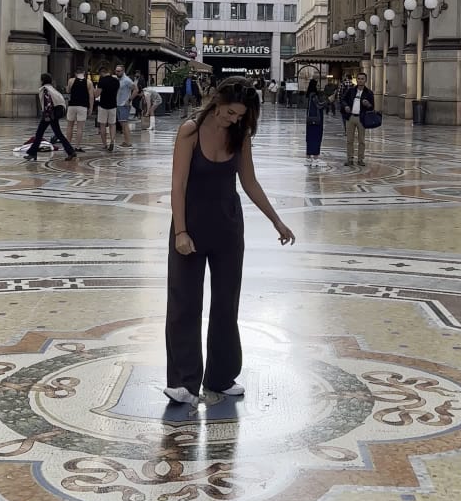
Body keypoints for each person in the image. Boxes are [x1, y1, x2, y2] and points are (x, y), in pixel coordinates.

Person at [165, 78, 296, 406]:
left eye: (240, 116)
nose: (233, 120)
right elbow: (177, 185)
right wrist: (180, 232)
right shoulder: (189, 131)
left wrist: (276, 220)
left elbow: (249, 182)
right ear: (216, 100)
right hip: (190, 228)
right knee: (185, 304)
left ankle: (221, 377)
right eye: (230, 113)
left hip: (227, 229)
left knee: (226, 304)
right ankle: (182, 382)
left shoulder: (241, 135)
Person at [25, 74, 75, 162]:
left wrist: (47, 116)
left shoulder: (45, 89)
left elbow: (47, 103)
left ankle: (32, 153)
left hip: (50, 113)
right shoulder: (51, 88)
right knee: (58, 133)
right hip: (55, 112)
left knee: (39, 133)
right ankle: (70, 151)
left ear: (42, 80)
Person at [341, 72, 375, 168]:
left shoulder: (369, 93)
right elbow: (343, 100)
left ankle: (360, 159)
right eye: (359, 78)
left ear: (365, 80)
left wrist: (368, 104)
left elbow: (372, 107)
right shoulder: (351, 90)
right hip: (351, 117)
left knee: (361, 140)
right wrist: (346, 106)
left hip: (361, 118)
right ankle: (350, 159)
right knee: (349, 140)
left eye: (362, 79)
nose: (360, 80)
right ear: (356, 80)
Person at [65, 64, 94, 151]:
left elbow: (68, 91)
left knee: (70, 126)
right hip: (83, 106)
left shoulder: (71, 80)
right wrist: (91, 108)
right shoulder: (89, 82)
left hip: (72, 105)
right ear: (84, 73)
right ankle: (77, 146)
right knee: (80, 127)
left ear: (75, 73)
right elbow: (91, 96)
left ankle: (68, 145)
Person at [305, 78, 333, 164]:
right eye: (317, 85)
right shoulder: (313, 95)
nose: (318, 86)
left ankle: (309, 155)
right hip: (316, 120)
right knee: (316, 138)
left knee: (310, 138)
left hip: (310, 119)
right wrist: (328, 100)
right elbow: (319, 105)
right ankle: (315, 156)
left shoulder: (309, 95)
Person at [97, 63, 120, 151]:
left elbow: (97, 94)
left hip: (103, 105)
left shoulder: (102, 81)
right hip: (113, 105)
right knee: (112, 125)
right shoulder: (116, 81)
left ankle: (104, 144)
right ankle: (112, 141)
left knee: (102, 125)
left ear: (101, 73)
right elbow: (116, 93)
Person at [115, 63, 136, 147]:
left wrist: (129, 99)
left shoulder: (127, 80)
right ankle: (125, 140)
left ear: (123, 71)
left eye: (119, 71)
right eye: (116, 71)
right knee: (121, 123)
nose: (117, 73)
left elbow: (136, 89)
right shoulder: (118, 80)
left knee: (124, 123)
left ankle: (128, 142)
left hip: (124, 104)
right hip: (118, 104)